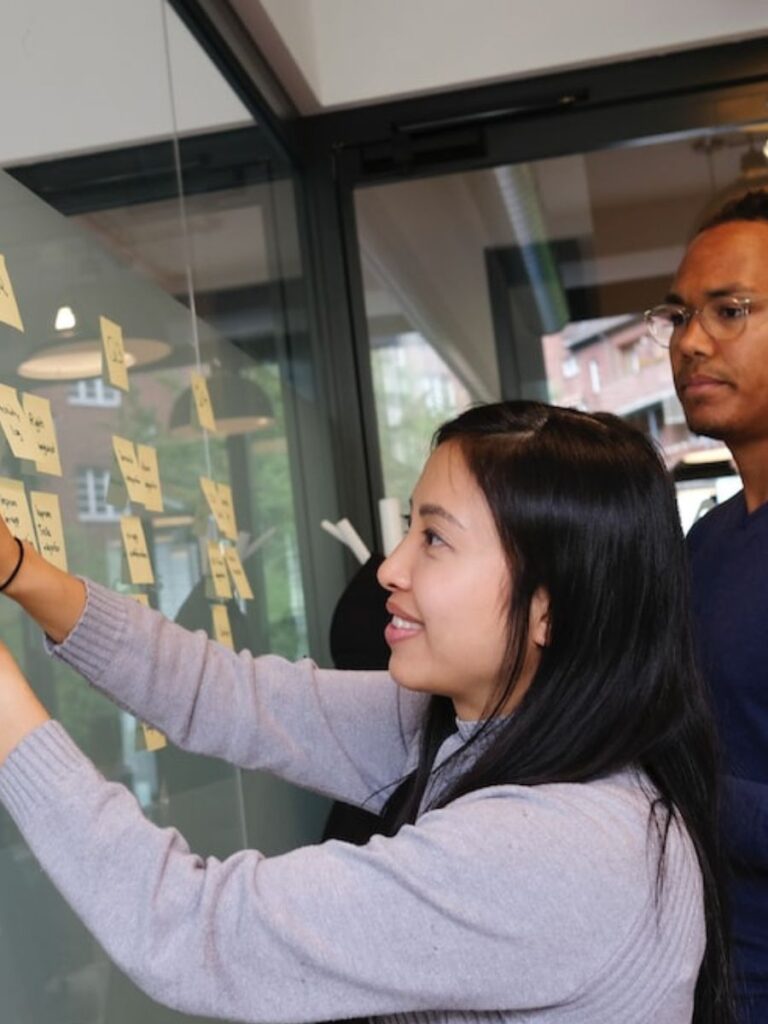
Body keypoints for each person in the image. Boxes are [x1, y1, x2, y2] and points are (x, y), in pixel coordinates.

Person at [0, 401, 732, 1023]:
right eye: (410, 527)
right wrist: (20, 571)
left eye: (434, 539)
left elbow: (195, 929)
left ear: (549, 607)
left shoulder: (559, 851)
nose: (390, 568)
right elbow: (228, 695)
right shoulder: (484, 727)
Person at [645, 189, 768, 1023]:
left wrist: (659, 780)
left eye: (729, 311)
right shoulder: (709, 539)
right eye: (681, 316)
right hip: (707, 973)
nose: (691, 341)